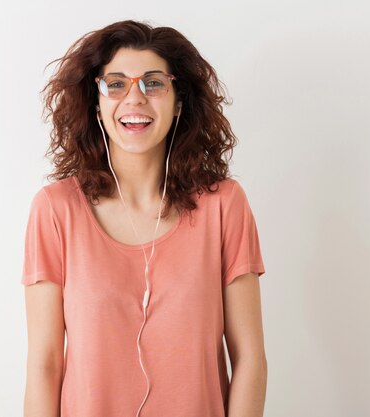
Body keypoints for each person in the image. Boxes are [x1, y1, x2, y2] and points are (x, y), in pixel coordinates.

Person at [21, 19, 267, 417]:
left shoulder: (224, 205)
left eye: (153, 83)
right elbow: (44, 365)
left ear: (179, 102)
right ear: (96, 103)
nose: (134, 98)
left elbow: (250, 357)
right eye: (116, 84)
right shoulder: (55, 210)